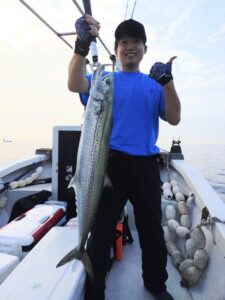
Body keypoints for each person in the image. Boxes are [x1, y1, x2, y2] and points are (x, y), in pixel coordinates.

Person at [68, 14, 181, 300]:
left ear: (145, 48)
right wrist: (81, 46)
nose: (130, 47)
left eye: (136, 42)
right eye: (124, 43)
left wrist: (167, 83)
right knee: (102, 229)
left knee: (152, 231)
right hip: (109, 163)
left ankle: (156, 284)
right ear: (116, 49)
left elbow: (175, 118)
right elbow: (74, 83)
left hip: (145, 166)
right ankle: (95, 289)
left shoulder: (154, 85)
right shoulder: (104, 80)